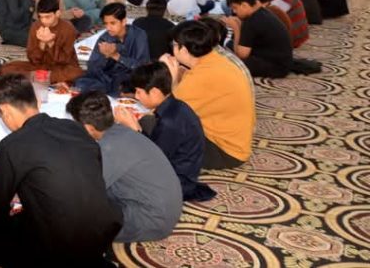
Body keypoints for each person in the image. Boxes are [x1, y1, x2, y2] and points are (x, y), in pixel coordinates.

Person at [0, 74, 122, 267]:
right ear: (36, 102)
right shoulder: (75, 128)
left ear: (4, 110)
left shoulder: (12, 145)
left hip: (56, 248)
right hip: (102, 235)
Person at [68, 91, 182, 243]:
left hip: (150, 220)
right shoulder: (121, 132)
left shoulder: (110, 147)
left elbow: (85, 191)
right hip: (160, 211)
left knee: (71, 218)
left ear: (88, 128)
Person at [115, 62, 215, 202]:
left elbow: (155, 161)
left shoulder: (170, 122)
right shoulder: (176, 106)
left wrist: (135, 129)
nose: (136, 97)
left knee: (118, 180)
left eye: (139, 92)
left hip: (176, 182)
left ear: (155, 92)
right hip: (177, 168)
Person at [163, 20, 255, 169]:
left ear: (184, 50)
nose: (172, 49)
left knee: (149, 125)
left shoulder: (202, 75)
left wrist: (172, 77)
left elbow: (169, 112)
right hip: (233, 143)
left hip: (223, 151)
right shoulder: (215, 60)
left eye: (174, 44)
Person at [0, 0, 82, 84]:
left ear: (57, 13)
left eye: (47, 17)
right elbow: (32, 59)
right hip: (41, 66)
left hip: (62, 67)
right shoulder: (36, 26)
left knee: (75, 73)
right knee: (6, 68)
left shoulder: (68, 28)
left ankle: (35, 78)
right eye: (41, 17)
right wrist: (42, 43)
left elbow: (65, 59)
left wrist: (50, 43)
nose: (44, 21)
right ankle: (43, 78)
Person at [78, 2, 149, 95]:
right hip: (109, 79)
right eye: (106, 24)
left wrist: (116, 56)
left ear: (123, 21)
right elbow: (92, 67)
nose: (108, 28)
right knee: (82, 83)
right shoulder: (104, 38)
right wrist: (105, 57)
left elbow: (143, 66)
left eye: (112, 23)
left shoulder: (139, 35)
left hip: (132, 78)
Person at [222, 0, 292, 79]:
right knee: (230, 44)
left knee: (232, 63)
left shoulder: (252, 21)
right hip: (281, 60)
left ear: (244, 5)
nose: (234, 12)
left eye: (235, 8)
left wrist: (236, 28)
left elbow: (241, 55)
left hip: (276, 67)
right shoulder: (260, 12)